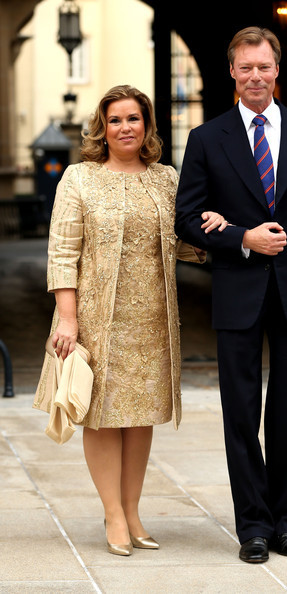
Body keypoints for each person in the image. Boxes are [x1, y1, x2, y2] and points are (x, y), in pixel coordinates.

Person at [34, 84, 226, 556]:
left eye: (134, 119)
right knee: (101, 417)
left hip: (153, 319)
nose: (125, 128)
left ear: (147, 126)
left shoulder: (166, 179)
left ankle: (134, 509)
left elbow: (180, 242)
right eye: (116, 119)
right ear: (102, 127)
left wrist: (213, 232)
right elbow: (62, 252)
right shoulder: (79, 178)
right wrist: (67, 319)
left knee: (140, 416)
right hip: (98, 318)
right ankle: (113, 514)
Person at [175, 27, 287, 563]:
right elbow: (185, 218)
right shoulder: (207, 138)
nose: (254, 76)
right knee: (241, 412)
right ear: (232, 72)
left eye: (263, 67)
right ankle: (252, 527)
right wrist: (240, 237)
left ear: (276, 69)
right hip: (238, 290)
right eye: (244, 67)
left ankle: (284, 522)